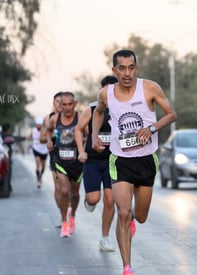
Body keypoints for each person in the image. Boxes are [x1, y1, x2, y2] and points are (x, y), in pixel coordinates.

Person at [91, 49, 177, 275]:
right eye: (122, 68)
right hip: (121, 160)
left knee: (140, 216)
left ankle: (131, 223)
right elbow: (98, 113)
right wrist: (94, 135)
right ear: (114, 70)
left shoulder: (150, 88)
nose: (127, 73)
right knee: (123, 212)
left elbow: (171, 114)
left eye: (131, 67)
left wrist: (151, 129)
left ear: (136, 68)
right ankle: (127, 267)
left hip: (146, 160)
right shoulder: (106, 94)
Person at [75, 75, 118, 252]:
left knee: (110, 201)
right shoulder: (92, 109)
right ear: (101, 92)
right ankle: (89, 201)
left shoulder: (121, 109)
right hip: (92, 161)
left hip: (112, 161)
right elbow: (78, 129)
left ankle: (105, 238)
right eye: (106, 91)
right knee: (94, 198)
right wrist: (81, 151)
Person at [46, 91, 82, 238]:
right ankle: (64, 222)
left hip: (76, 162)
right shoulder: (55, 118)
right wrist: (49, 140)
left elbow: (89, 132)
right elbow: (48, 130)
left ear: (74, 104)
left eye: (69, 104)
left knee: (74, 193)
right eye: (64, 104)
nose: (67, 107)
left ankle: (72, 215)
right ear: (60, 105)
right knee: (64, 191)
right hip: (60, 160)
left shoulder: (80, 118)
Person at [39, 91, 65, 225]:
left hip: (72, 156)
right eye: (57, 102)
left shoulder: (73, 117)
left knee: (70, 189)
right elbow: (42, 138)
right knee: (59, 187)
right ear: (54, 104)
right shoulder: (48, 119)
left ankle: (70, 211)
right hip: (55, 155)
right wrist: (52, 138)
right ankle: (63, 216)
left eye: (63, 102)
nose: (60, 104)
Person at [28, 118, 49, 188]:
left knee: (43, 166)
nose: (39, 126)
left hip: (44, 150)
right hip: (36, 148)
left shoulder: (46, 131)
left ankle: (41, 176)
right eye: (38, 125)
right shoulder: (33, 131)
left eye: (40, 125)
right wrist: (29, 139)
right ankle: (38, 180)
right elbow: (29, 137)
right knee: (37, 163)